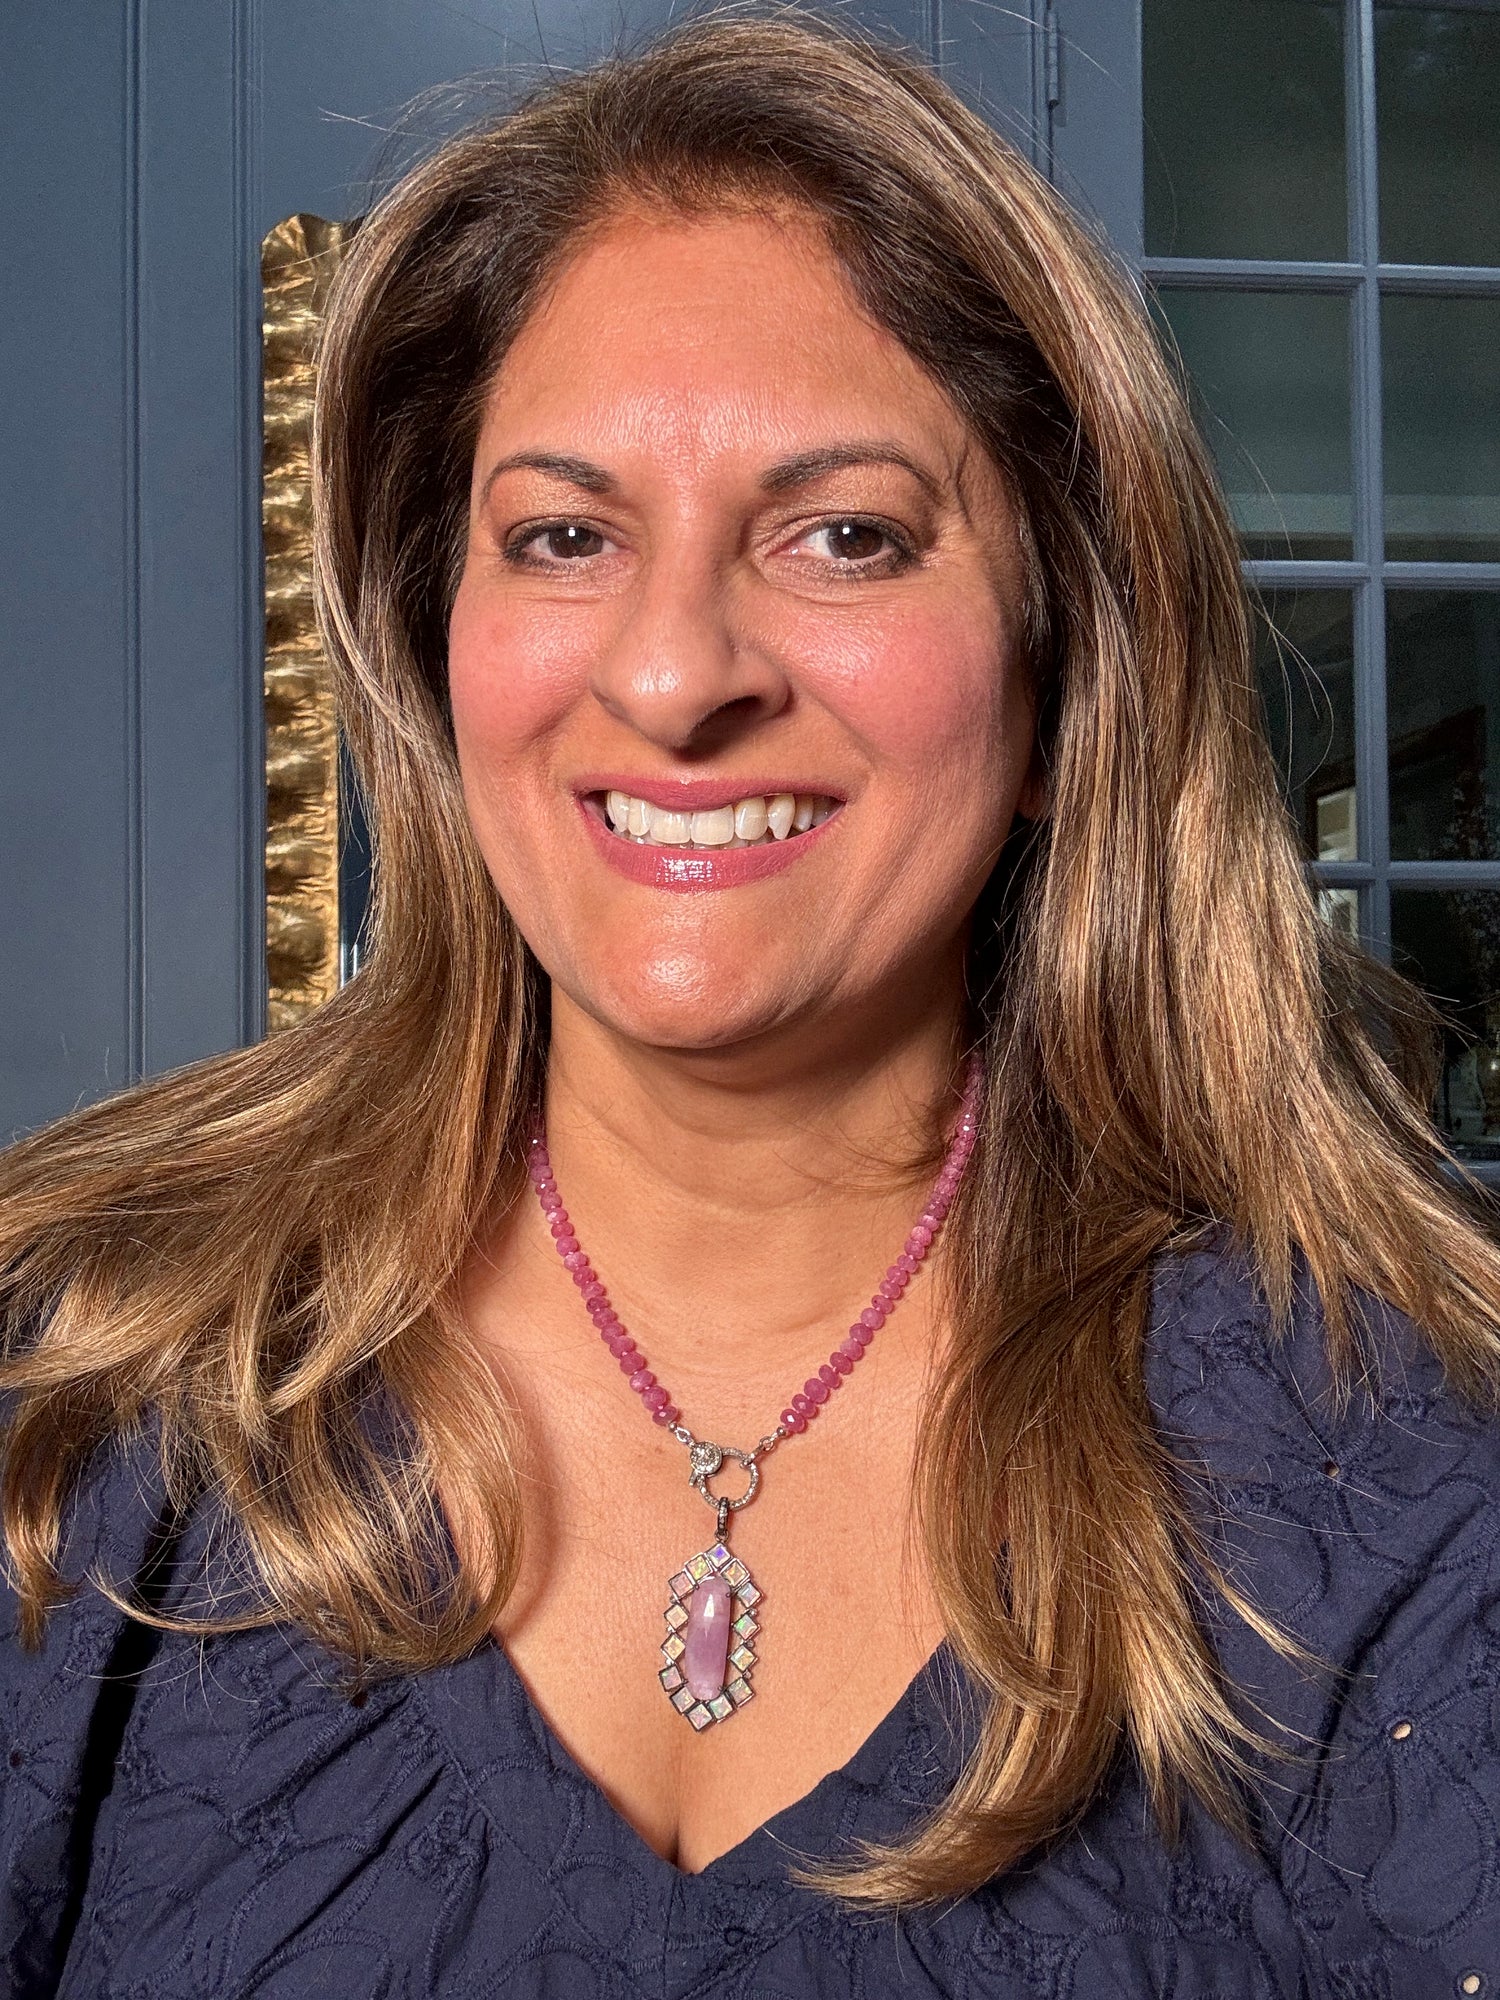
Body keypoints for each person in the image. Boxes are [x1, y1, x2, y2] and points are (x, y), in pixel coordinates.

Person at [3, 11, 1499, 1995]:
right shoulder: (78, 1380)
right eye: (564, 534)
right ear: (443, 650)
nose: (676, 669)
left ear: (1062, 680)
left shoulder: (1394, 1476)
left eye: (846, 535)